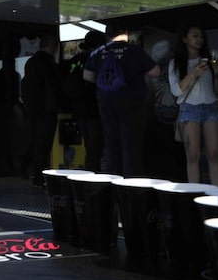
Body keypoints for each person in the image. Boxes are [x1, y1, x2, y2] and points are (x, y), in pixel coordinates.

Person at [83, 26, 160, 177]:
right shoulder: (133, 50)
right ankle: (131, 183)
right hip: (132, 102)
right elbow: (155, 71)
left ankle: (113, 180)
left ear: (107, 35)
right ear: (125, 33)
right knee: (130, 143)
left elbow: (87, 76)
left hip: (106, 103)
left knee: (111, 143)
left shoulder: (97, 52)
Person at [167, 24, 218, 186]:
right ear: (185, 39)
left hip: (211, 107)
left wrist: (217, 75)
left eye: (201, 36)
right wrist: (194, 73)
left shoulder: (209, 61)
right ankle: (194, 194)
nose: (199, 39)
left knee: (213, 154)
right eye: (195, 36)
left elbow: (217, 92)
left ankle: (217, 194)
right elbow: (176, 91)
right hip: (190, 109)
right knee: (192, 155)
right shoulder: (176, 63)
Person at [20, 34, 63, 188]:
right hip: (46, 108)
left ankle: (28, 170)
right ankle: (39, 176)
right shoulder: (48, 64)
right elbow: (55, 86)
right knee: (43, 144)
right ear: (53, 47)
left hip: (33, 108)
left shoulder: (31, 62)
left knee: (35, 141)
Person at [62, 30, 106, 172]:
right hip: (94, 107)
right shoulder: (97, 59)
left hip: (78, 108)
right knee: (96, 145)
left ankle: (90, 172)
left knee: (89, 143)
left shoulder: (73, 60)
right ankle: (93, 173)